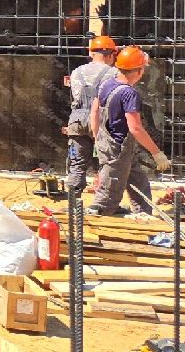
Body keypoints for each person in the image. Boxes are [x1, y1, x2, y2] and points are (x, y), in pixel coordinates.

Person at [88, 45, 170, 219]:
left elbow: (94, 113)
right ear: (139, 71)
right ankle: (92, 224)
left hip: (108, 144)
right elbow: (135, 128)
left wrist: (97, 139)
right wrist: (156, 153)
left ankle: (143, 215)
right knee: (108, 196)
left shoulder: (106, 84)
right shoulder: (129, 93)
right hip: (118, 149)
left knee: (138, 181)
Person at [63, 34, 118, 196]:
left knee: (77, 164)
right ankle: (104, 202)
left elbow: (76, 97)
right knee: (107, 162)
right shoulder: (114, 73)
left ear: (91, 54)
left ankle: (74, 201)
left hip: (77, 120)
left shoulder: (76, 72)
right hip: (101, 120)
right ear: (110, 54)